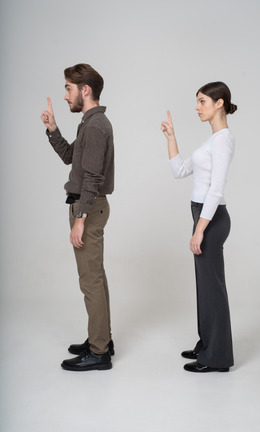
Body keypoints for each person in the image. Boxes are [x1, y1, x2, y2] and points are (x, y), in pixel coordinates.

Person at [41, 64, 115, 371]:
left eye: (69, 88)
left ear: (85, 90)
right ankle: (101, 340)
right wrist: (53, 129)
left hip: (88, 207)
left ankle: (99, 353)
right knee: (95, 279)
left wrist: (80, 218)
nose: (66, 95)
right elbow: (72, 158)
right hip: (88, 206)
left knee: (90, 282)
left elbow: (93, 177)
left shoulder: (96, 126)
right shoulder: (89, 123)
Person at [161, 81, 236, 373]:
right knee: (205, 288)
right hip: (203, 216)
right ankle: (206, 344)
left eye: (202, 101)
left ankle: (217, 358)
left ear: (219, 103)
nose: (197, 107)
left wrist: (200, 229)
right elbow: (179, 170)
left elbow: (215, 190)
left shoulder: (223, 139)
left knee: (212, 289)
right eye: (197, 101)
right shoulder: (212, 140)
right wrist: (171, 137)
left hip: (212, 218)